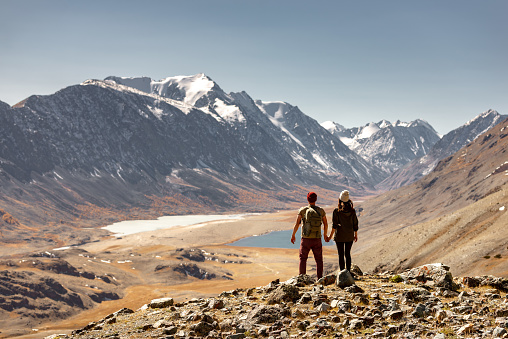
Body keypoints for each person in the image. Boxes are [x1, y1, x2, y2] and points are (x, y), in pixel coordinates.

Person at [290, 191, 328, 279]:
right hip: (317, 239)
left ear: (307, 199)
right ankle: (319, 279)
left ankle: (302, 279)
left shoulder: (303, 210)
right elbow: (326, 224)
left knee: (303, 259)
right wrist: (325, 235)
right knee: (319, 260)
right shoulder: (321, 211)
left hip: (305, 239)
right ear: (316, 199)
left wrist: (293, 235)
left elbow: (297, 224)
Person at [325, 190, 358, 272]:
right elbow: (355, 224)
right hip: (350, 236)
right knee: (347, 254)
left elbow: (334, 226)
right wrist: (355, 235)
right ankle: (348, 271)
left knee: (341, 255)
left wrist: (330, 236)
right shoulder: (352, 211)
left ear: (340, 200)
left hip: (339, 236)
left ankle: (342, 272)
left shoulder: (337, 211)